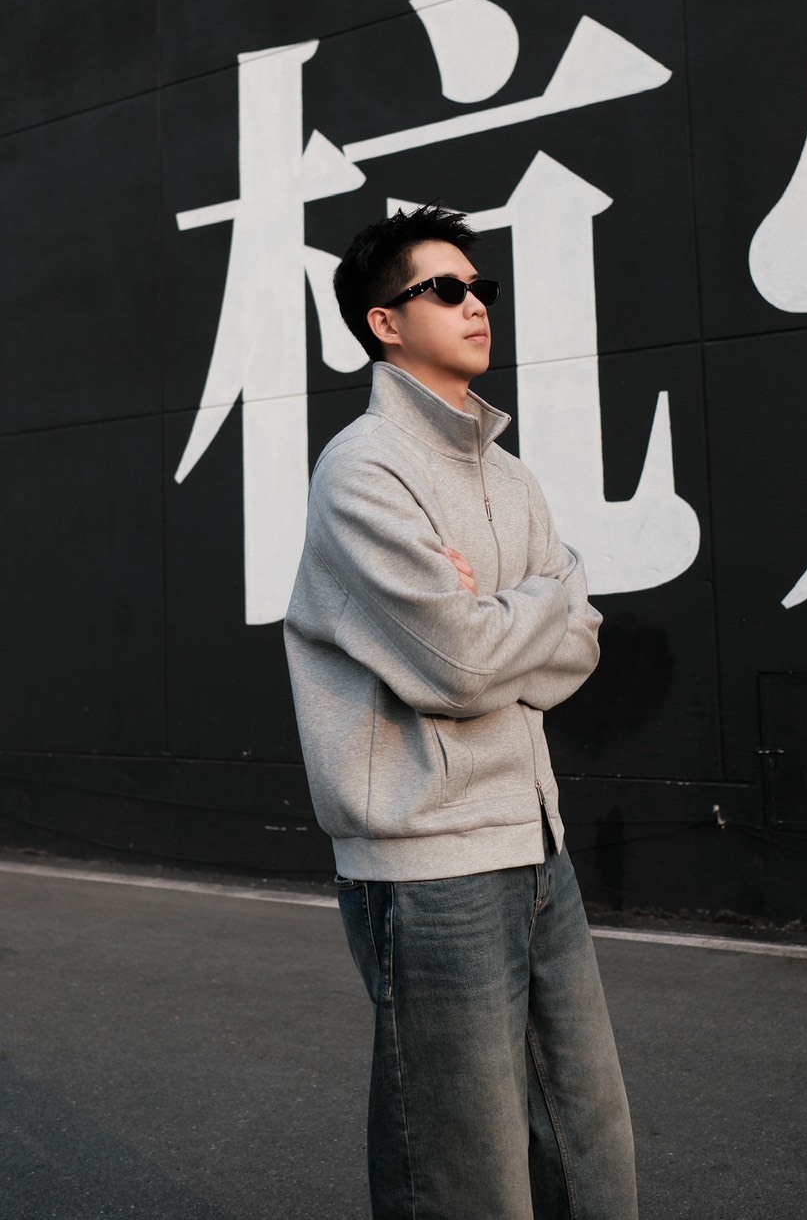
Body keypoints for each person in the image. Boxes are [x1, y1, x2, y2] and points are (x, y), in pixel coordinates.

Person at [284, 204, 638, 1219]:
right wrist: (537, 603)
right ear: (385, 322)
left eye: (481, 287)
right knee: (461, 1167)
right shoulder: (363, 469)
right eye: (446, 288)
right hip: (428, 861)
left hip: (535, 840)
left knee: (589, 1143)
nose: (476, 302)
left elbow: (577, 643)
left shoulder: (509, 475)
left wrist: (503, 609)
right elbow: (462, 664)